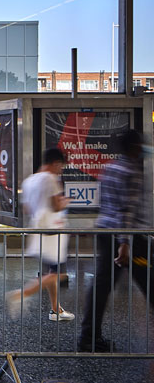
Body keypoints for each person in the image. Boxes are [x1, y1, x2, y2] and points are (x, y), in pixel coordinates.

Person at [78, 129, 154, 352]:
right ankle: (88, 337)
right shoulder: (132, 172)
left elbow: (108, 204)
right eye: (141, 145)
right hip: (129, 241)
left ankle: (88, 337)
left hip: (106, 232)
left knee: (101, 287)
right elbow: (126, 211)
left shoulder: (109, 168)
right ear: (134, 147)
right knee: (149, 282)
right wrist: (125, 243)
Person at [6, 147, 73, 321]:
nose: (61, 170)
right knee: (60, 274)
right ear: (56, 163)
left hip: (38, 231)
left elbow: (27, 208)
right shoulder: (50, 179)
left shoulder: (29, 181)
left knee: (51, 272)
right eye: (61, 166)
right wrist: (66, 201)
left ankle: (55, 310)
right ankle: (21, 294)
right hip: (53, 233)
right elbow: (56, 206)